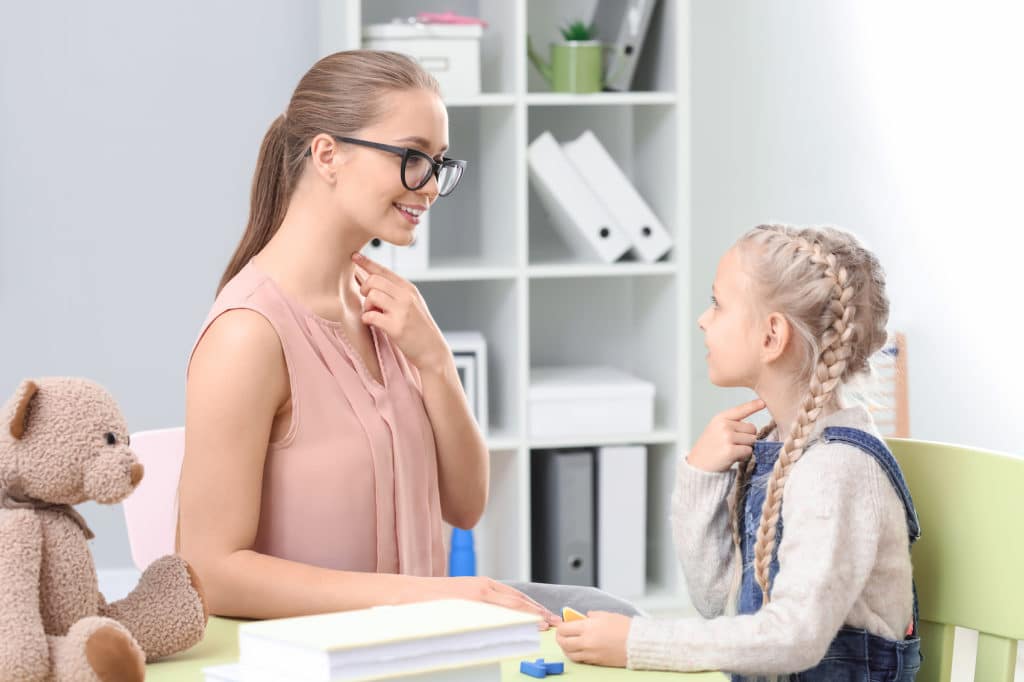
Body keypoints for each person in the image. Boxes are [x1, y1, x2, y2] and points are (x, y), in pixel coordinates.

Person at [177, 49, 555, 625]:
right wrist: (431, 595)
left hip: (418, 651)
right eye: (412, 157)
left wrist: (435, 362)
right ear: (328, 155)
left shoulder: (389, 308)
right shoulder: (248, 335)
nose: (428, 186)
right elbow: (209, 571)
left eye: (438, 163)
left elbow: (466, 503)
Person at [555, 224, 921, 681]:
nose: (703, 320)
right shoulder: (775, 447)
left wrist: (637, 644)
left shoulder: (836, 470)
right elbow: (714, 601)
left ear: (772, 335)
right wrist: (701, 475)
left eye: (717, 304)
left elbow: (794, 637)